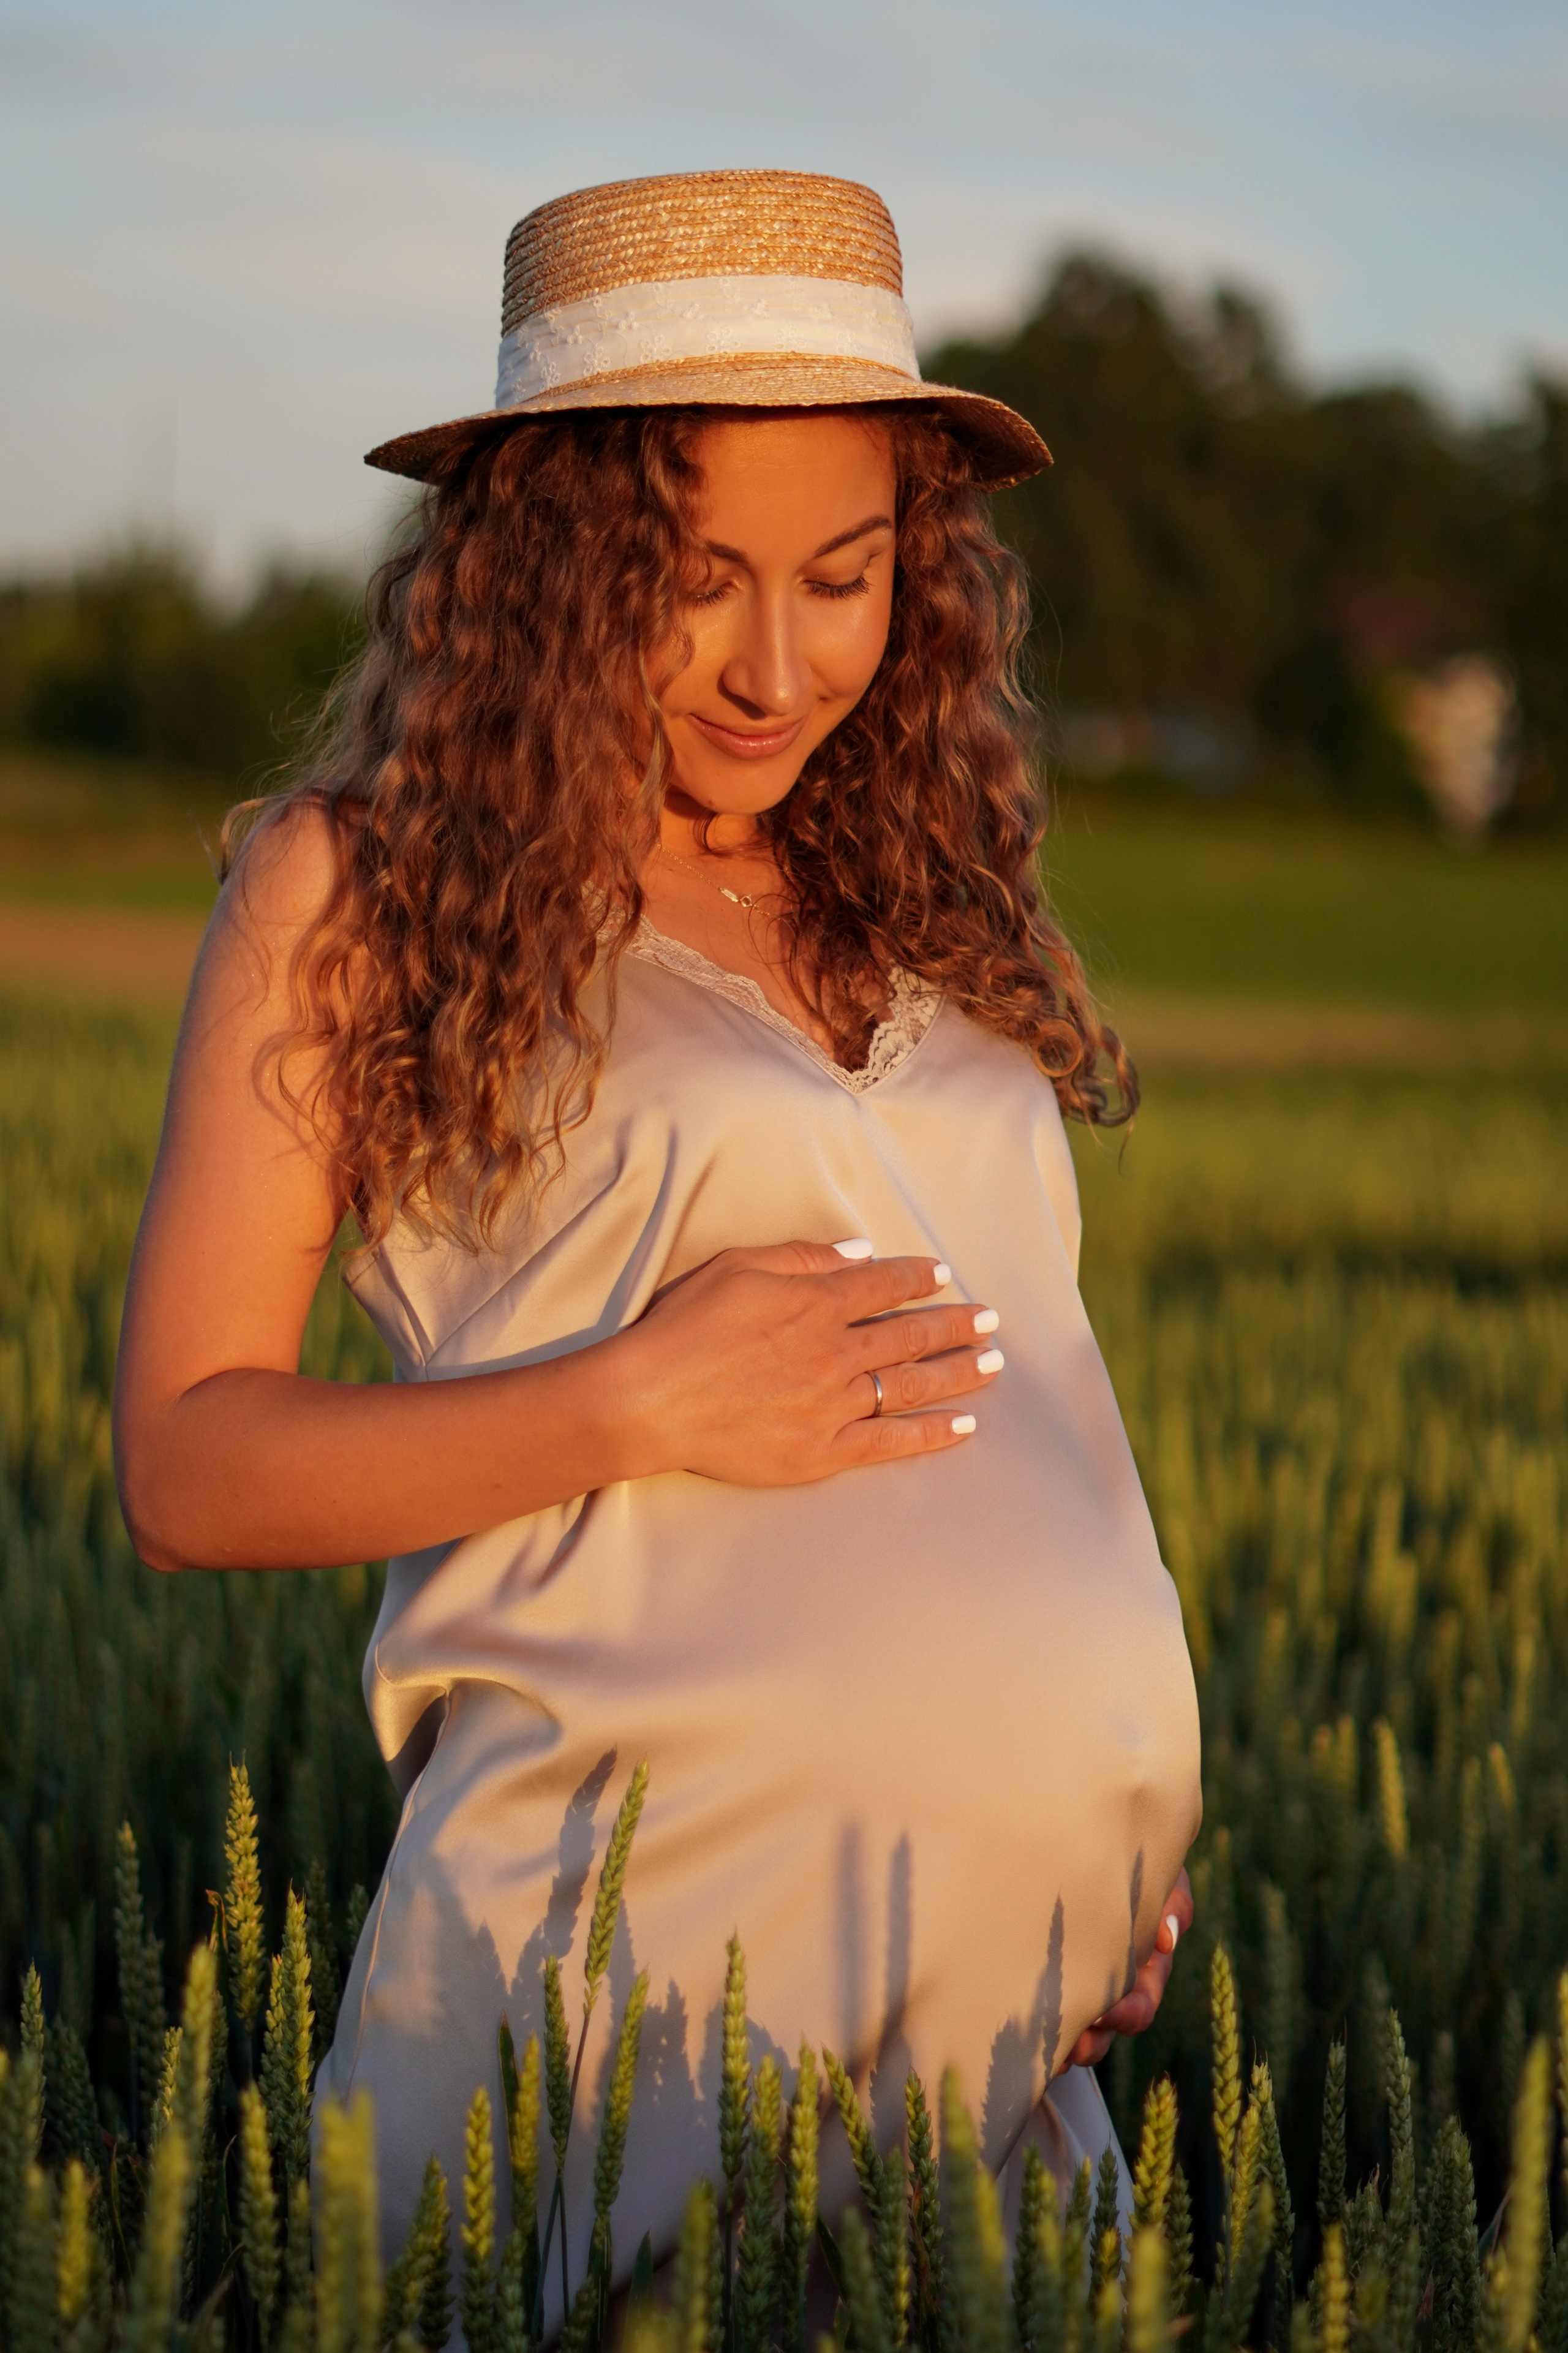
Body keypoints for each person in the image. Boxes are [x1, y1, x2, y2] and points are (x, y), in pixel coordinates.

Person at [113, 170, 1201, 2321]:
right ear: (545, 560)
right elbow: (187, 1459)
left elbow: (1034, 1391)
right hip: (614, 2008)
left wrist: (1097, 1834)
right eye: (697, 578)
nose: (779, 662)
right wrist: (633, 1396)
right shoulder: (360, 887)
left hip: (992, 2030)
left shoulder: (922, 897)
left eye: (846, 572)